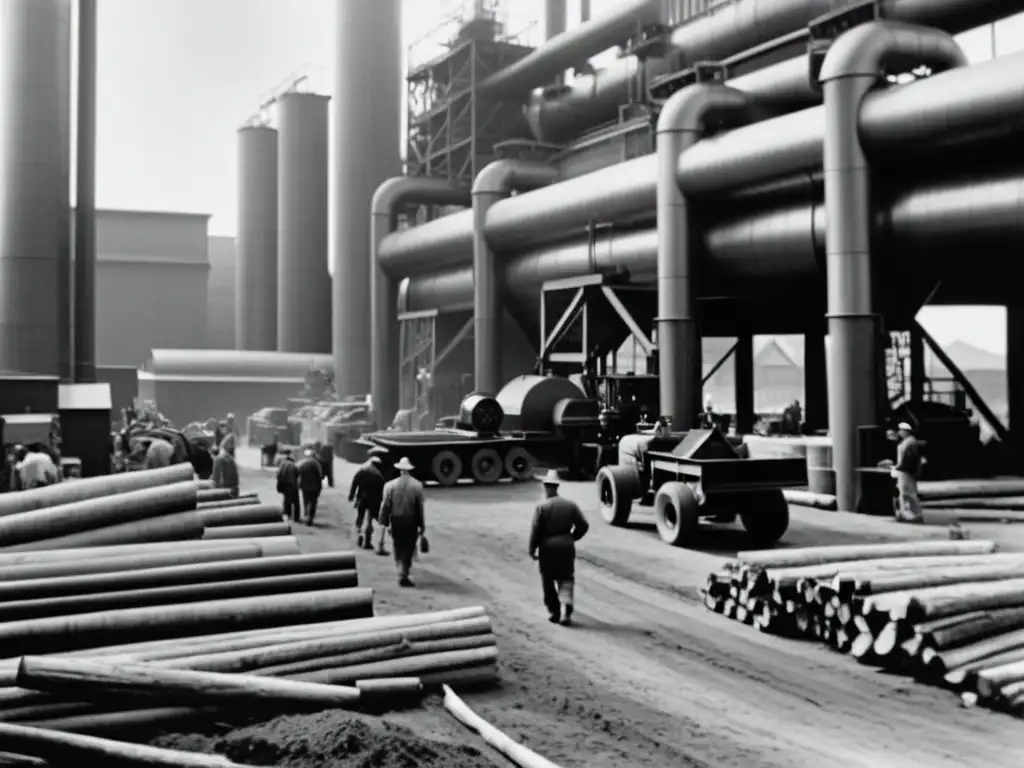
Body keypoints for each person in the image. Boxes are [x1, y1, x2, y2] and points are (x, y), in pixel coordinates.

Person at [529, 469, 590, 626]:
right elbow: (583, 525)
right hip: (566, 546)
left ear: (545, 487)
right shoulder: (570, 505)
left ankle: (554, 612)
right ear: (557, 486)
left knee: (548, 580)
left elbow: (536, 531)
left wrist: (532, 549)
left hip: (547, 547)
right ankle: (566, 611)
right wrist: (571, 538)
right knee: (566, 578)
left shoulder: (542, 507)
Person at [379, 456, 425, 587]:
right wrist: (422, 526)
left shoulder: (390, 485)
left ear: (399, 470)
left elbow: (385, 506)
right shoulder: (417, 486)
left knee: (398, 545)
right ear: (409, 470)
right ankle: (404, 572)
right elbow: (419, 509)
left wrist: (384, 522)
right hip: (411, 521)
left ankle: (400, 571)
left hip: (396, 520)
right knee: (409, 547)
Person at [349, 455, 386, 553]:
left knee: (360, 518)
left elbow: (354, 483)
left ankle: (359, 534)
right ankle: (367, 541)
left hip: (362, 499)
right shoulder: (379, 476)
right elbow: (382, 492)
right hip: (373, 502)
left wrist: (351, 496)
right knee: (369, 521)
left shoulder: (361, 472)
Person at [890, 421, 924, 524]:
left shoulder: (910, 442)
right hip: (904, 471)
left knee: (908, 493)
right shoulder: (907, 441)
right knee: (904, 493)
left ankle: (915, 515)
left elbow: (910, 459)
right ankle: (907, 514)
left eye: (901, 430)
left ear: (906, 431)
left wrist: (900, 467)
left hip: (906, 472)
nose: (899, 432)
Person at [296, 448, 324, 525]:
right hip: (315, 486)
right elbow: (320, 474)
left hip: (304, 486)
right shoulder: (315, 463)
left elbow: (296, 473)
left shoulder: (301, 463)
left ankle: (306, 514)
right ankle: (310, 517)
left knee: (306, 501)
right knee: (313, 502)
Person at [276, 448, 300, 522]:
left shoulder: (282, 464)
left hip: (284, 486)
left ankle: (287, 514)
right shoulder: (293, 465)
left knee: (286, 500)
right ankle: (296, 518)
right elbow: (297, 474)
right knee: (296, 502)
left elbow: (278, 475)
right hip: (292, 485)